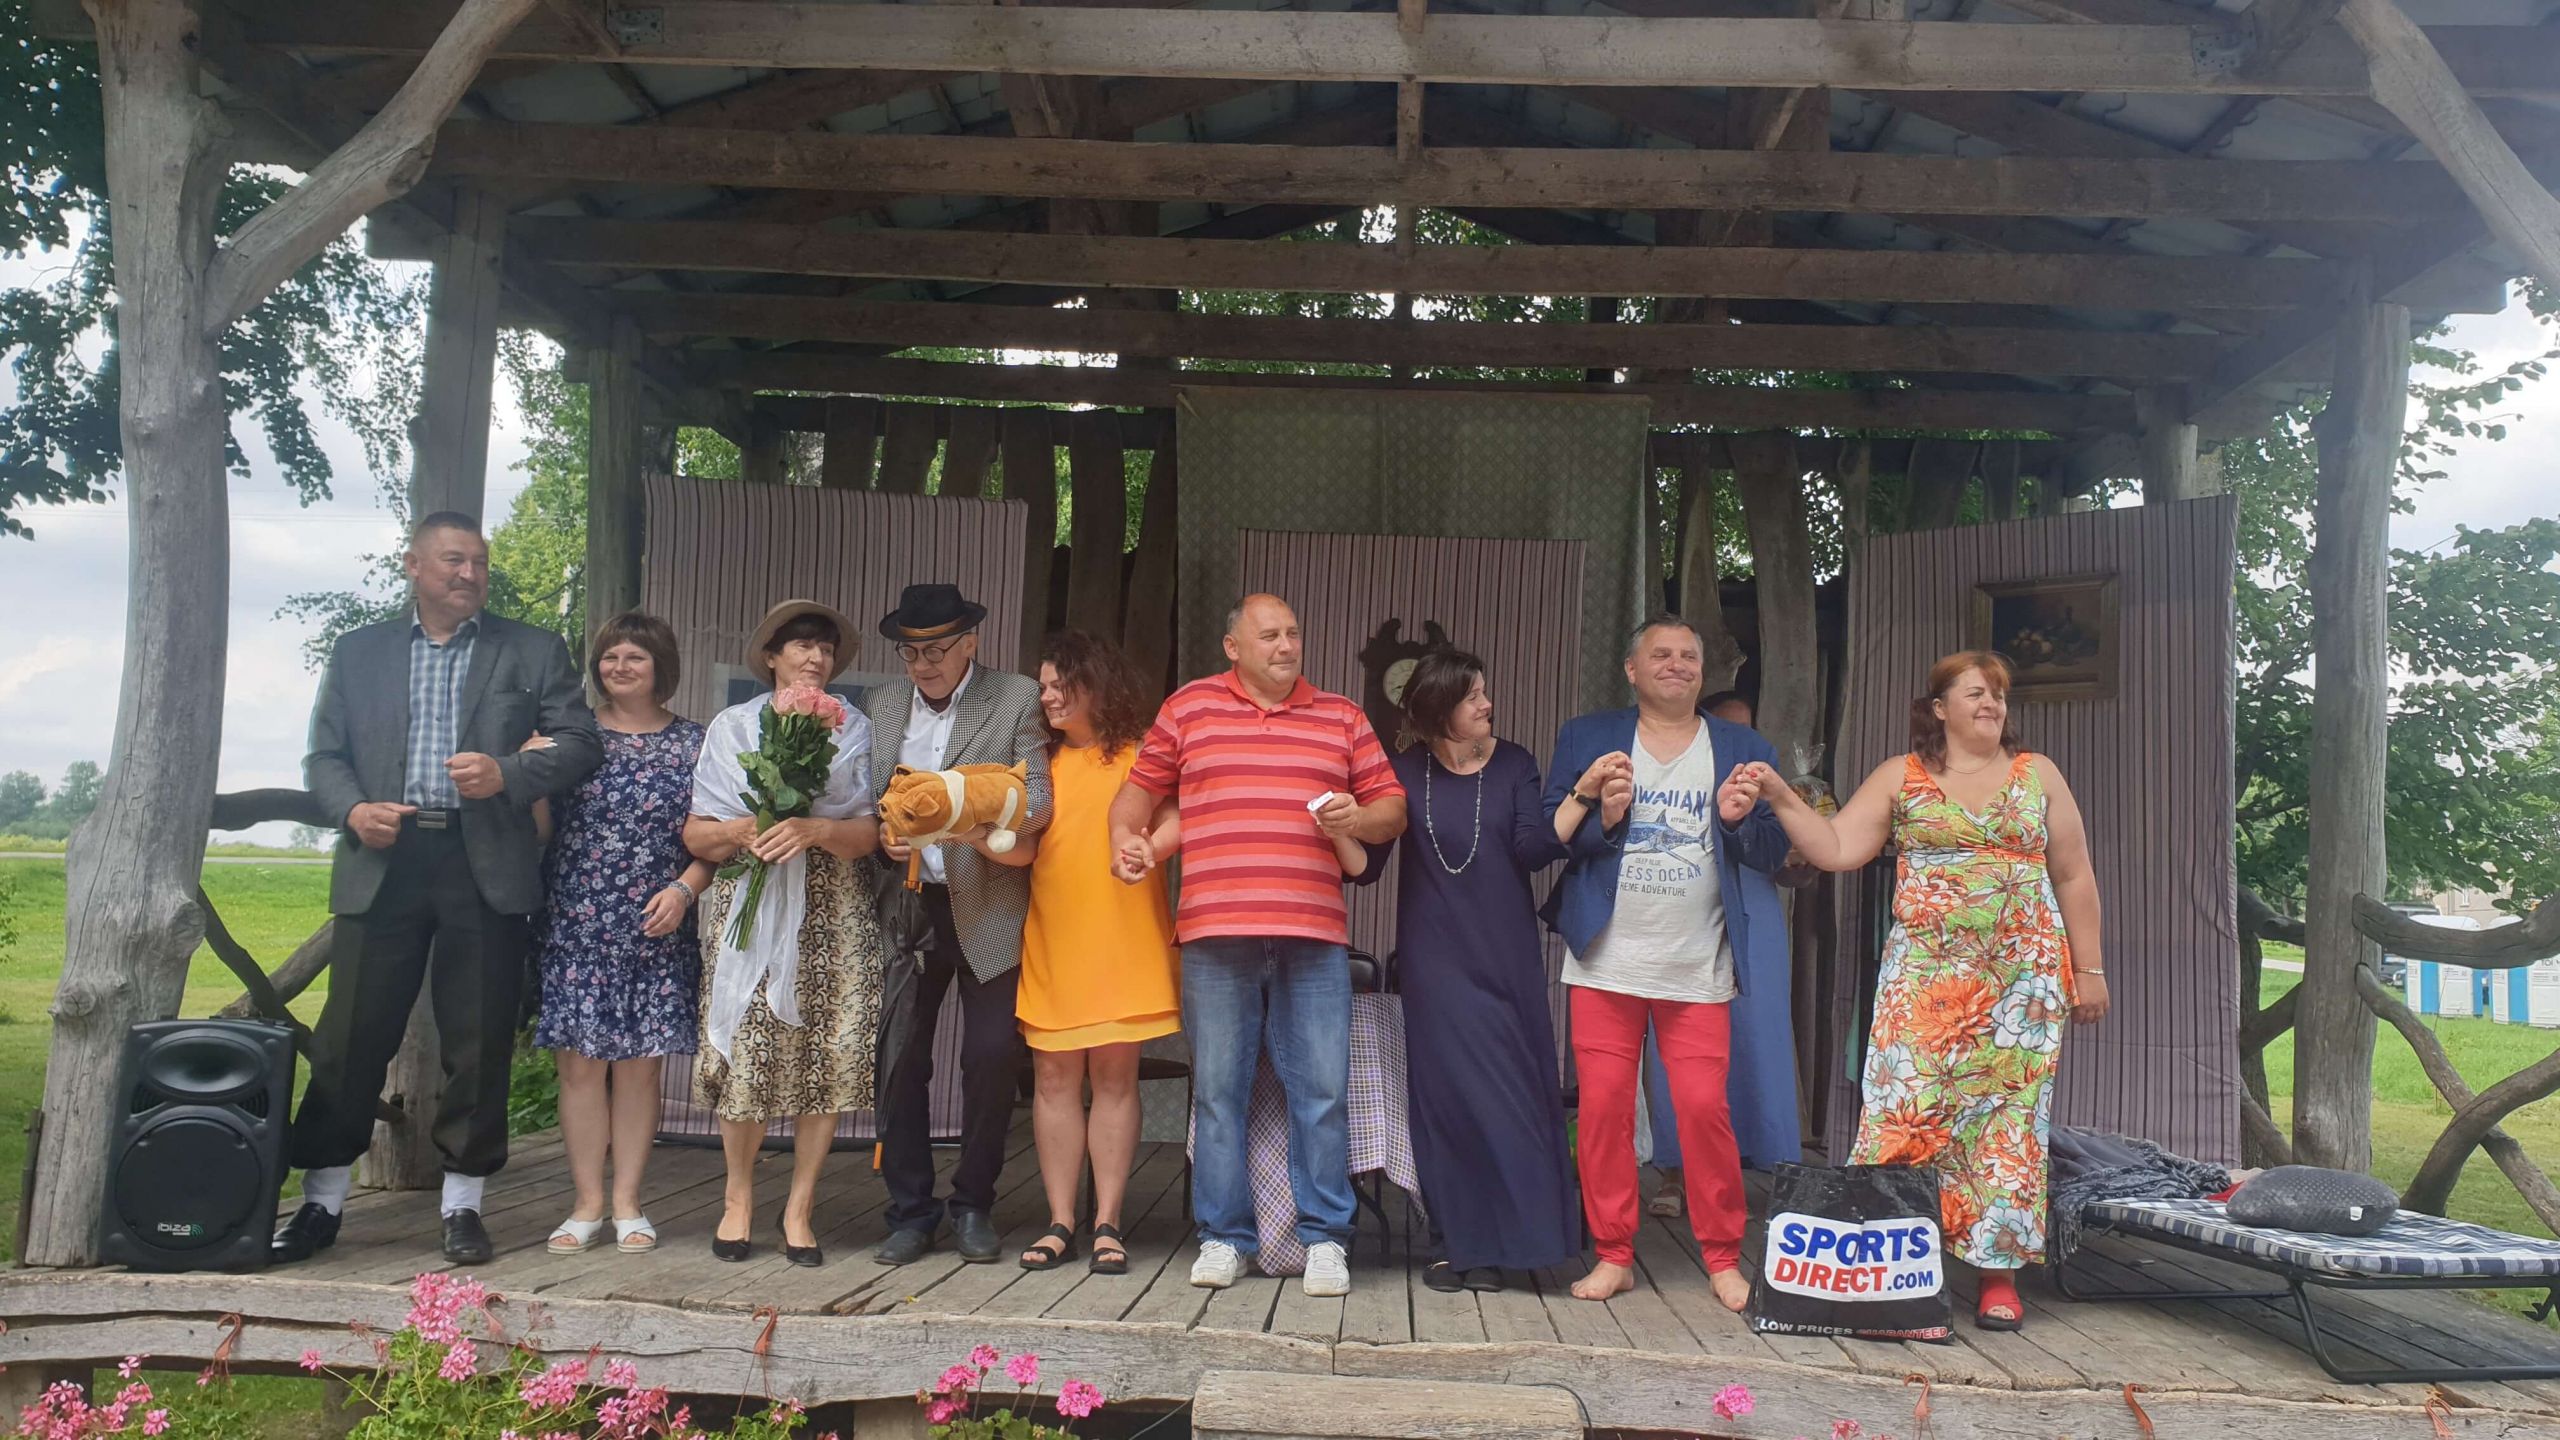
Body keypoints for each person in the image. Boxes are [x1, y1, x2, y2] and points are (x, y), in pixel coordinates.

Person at [1735, 650, 2108, 1333]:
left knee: (2007, 1123)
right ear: (1939, 708)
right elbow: (1837, 849)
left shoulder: (2039, 774)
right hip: (1924, 981)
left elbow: (2074, 875)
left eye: (1998, 694)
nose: (1991, 704)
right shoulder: (1900, 776)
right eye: (1976, 693)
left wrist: (2090, 970)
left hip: (2022, 985)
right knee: (1905, 1111)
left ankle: (1998, 1275)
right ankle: (1884, 1270)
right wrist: (1784, 798)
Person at [271, 513, 603, 1266]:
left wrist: (507, 773)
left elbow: (582, 744)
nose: (469, 574)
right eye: (454, 560)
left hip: (483, 862)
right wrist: (353, 811)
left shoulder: (532, 648)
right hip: (383, 858)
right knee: (349, 1038)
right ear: (413, 566)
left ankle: (463, 1205)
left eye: (479, 562)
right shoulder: (358, 652)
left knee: (478, 1040)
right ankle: (322, 1202)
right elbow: (323, 757)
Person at [1111, 594, 1406, 1299]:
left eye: (1293, 633)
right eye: (1269, 635)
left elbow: (1392, 809)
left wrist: (1357, 817)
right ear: (1233, 647)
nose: (1285, 645)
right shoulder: (1189, 708)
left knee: (1322, 1094)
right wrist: (1125, 837)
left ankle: (1325, 1240)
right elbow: (1137, 793)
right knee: (1218, 1094)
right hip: (1215, 935)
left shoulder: (1341, 715)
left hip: (1313, 936)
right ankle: (1224, 1237)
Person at [1543, 615, 1794, 1310]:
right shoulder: (1587, 736)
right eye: (1661, 654)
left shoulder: (1743, 747)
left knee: (1704, 1108)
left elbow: (1774, 850)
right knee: (1604, 1112)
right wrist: (1604, 816)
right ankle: (1614, 1254)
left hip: (1697, 962)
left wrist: (1739, 821)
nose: (1676, 664)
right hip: (1605, 960)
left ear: (1702, 671)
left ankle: (1722, 1256)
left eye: (1688, 656)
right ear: (1632, 669)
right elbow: (1548, 834)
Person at [1354, 649, 1576, 1294]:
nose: (1487, 704)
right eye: (1472, 695)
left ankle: (1522, 1242)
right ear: (1438, 710)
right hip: (1435, 965)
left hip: (1507, 957)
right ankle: (1455, 1246)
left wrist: (1585, 798)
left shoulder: (1515, 764)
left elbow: (1534, 849)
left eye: (1484, 691)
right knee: (1448, 1103)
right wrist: (1338, 823)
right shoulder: (1402, 773)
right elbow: (1366, 868)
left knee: (1513, 1097)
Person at [684, 599, 886, 1268]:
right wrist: (747, 827)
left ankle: (800, 1207)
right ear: (771, 657)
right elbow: (697, 835)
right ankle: (737, 1198)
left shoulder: (856, 727)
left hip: (832, 905)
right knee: (748, 1045)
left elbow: (871, 833)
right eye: (802, 646)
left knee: (827, 1049)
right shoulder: (734, 727)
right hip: (751, 894)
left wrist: (816, 828)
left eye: (825, 649)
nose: (816, 658)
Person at [867, 584, 1054, 1268]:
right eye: (911, 652)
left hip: (988, 902)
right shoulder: (883, 704)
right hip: (907, 906)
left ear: (970, 642)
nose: (923, 664)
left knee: (990, 1057)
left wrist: (961, 818)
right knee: (901, 1058)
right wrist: (884, 832)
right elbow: (868, 797)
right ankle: (910, 1211)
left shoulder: (1016, 697)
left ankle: (973, 1202)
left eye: (937, 650)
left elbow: (1038, 799)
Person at [531, 612, 710, 1257]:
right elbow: (543, 833)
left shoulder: (694, 744)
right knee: (580, 1069)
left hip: (656, 924)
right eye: (610, 656)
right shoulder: (572, 737)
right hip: (577, 921)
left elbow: (713, 839)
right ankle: (585, 1205)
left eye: (635, 656)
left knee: (639, 1071)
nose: (620, 666)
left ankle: (629, 1203)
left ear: (661, 665)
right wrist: (531, 777)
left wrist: (684, 890)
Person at [1014, 631, 1182, 1273]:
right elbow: (1022, 849)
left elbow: (1177, 819)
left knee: (1115, 1078)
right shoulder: (1037, 762)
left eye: (1062, 685)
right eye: (1044, 687)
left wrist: (1151, 848)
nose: (1049, 696)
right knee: (1054, 1079)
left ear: (1097, 686)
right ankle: (1060, 1222)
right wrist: (968, 832)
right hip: (1055, 935)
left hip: (1123, 935)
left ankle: (1108, 1222)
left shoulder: (1141, 755)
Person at [1642, 694, 1756, 1218]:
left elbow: (1779, 851)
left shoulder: (1759, 770)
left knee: (1731, 1072)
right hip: (1653, 933)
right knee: (1667, 1077)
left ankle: (1732, 1200)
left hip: (1738, 919)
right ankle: (1669, 1173)